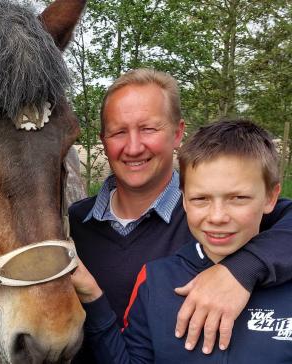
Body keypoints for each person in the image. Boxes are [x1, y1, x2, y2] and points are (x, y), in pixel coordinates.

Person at [68, 69, 292, 360]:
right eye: (119, 132)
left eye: (149, 128)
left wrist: (240, 269)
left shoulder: (218, 221)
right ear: (104, 140)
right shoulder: (73, 222)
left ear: (178, 133)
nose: (133, 147)